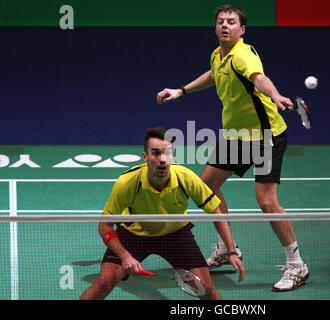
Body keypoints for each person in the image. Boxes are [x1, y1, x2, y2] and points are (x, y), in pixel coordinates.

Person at [156, 5, 309, 292]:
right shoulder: (219, 56)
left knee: (266, 201)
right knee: (206, 187)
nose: (225, 25)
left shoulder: (243, 55)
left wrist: (275, 94)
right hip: (237, 136)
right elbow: (213, 75)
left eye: (232, 22)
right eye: (221, 22)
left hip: (265, 136)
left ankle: (297, 264)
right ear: (215, 28)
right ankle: (228, 248)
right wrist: (182, 91)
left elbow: (258, 78)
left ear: (242, 29)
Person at [80, 127, 245, 300]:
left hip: (175, 235)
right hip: (133, 235)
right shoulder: (127, 183)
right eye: (156, 153)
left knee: (207, 289)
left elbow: (216, 212)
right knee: (104, 282)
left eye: (167, 153)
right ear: (145, 157)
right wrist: (125, 256)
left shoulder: (185, 177)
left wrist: (231, 251)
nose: (162, 160)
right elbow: (104, 225)